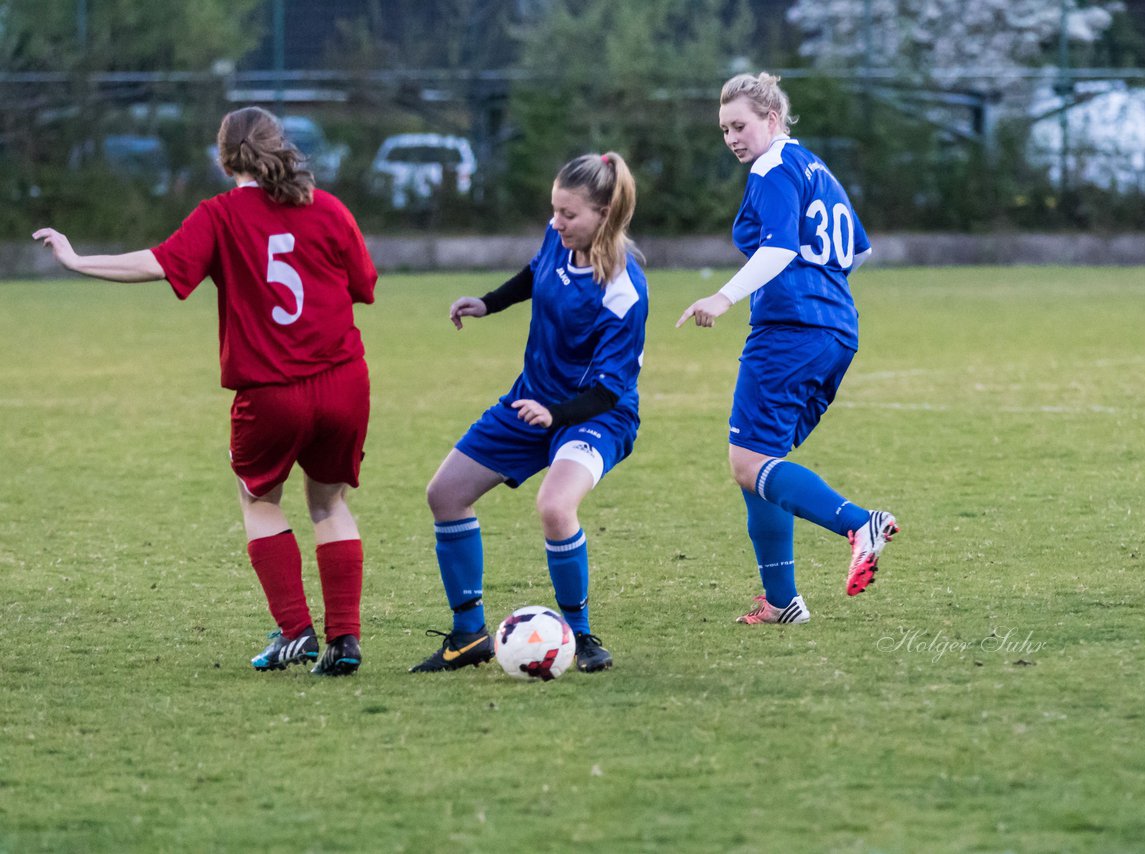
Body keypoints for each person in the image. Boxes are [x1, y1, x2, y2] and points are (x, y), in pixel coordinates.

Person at [32, 106, 377, 675]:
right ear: (278, 147)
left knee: (259, 498)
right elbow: (363, 286)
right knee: (330, 501)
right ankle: (346, 639)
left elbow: (158, 264)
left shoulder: (219, 215)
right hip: (344, 381)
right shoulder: (328, 207)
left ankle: (296, 631)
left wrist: (76, 259)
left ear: (224, 160)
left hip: (271, 391)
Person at [411, 151, 647, 675]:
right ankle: (469, 634)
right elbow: (535, 273)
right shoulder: (557, 239)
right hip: (532, 399)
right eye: (554, 211)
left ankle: (581, 637)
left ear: (603, 214)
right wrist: (488, 303)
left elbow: (610, 390)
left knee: (555, 506)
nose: (556, 222)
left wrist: (556, 413)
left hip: (595, 418)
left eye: (569, 214)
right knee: (445, 495)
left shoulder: (624, 290)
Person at [676, 72, 899, 625]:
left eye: (739, 124)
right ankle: (781, 602)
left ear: (771, 119)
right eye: (724, 128)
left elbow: (778, 248)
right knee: (759, 459)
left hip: (789, 331)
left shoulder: (771, 167)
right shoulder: (815, 166)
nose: (731, 136)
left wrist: (726, 297)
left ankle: (858, 523)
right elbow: (859, 251)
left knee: (749, 460)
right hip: (836, 330)